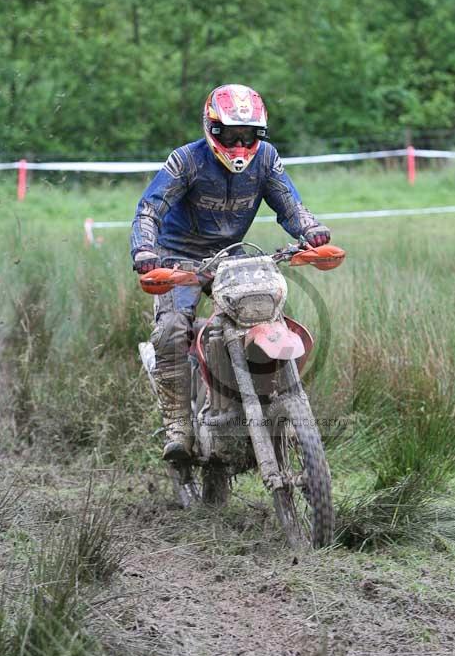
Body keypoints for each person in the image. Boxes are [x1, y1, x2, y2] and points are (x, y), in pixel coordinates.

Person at [130, 83, 331, 461]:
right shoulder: (185, 161)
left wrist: (310, 229)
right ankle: (178, 424)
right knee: (173, 329)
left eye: (249, 135)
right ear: (212, 128)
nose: (240, 146)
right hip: (178, 258)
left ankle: (268, 399)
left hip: (230, 256)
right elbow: (149, 210)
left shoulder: (267, 159)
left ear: (261, 133)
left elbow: (290, 204)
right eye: (230, 135)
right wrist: (144, 249)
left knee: (265, 312)